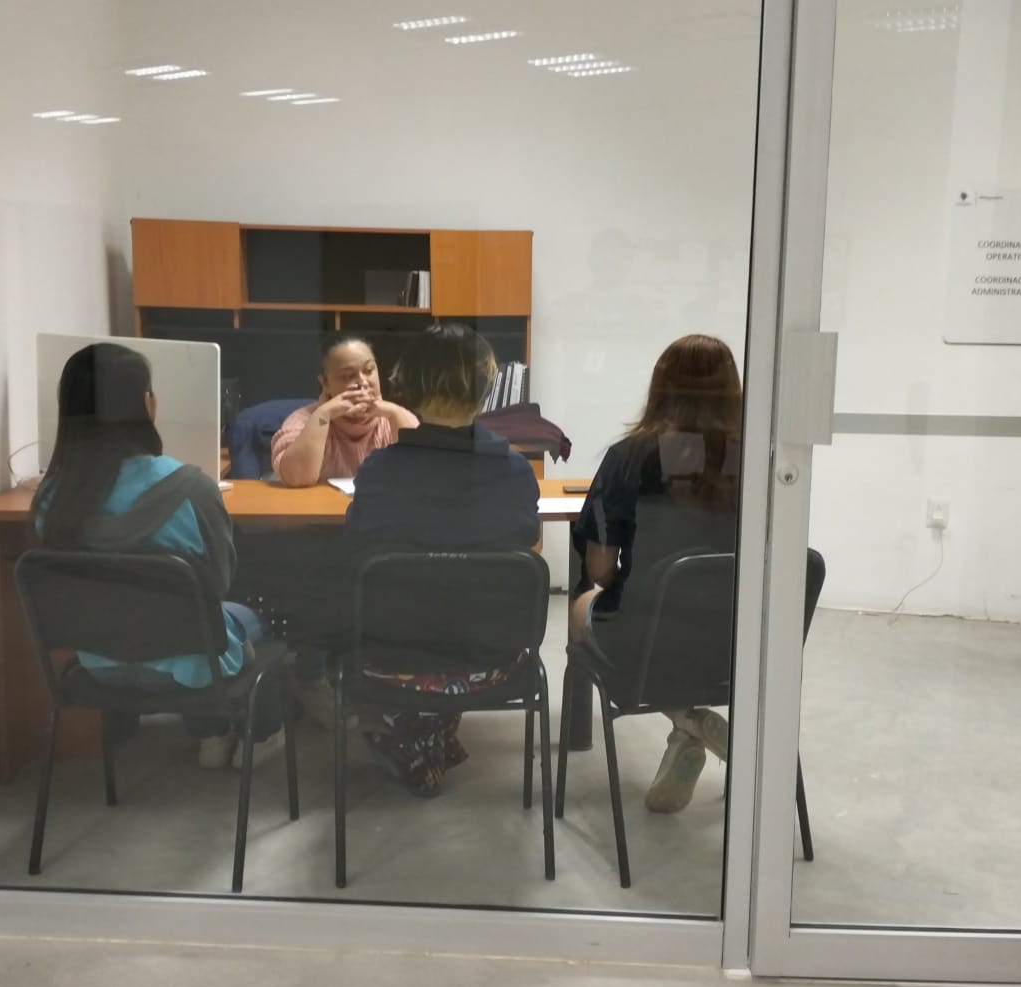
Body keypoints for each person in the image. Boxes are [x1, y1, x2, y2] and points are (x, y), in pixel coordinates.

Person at [34, 343, 267, 770]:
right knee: (248, 617)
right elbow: (218, 585)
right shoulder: (193, 488)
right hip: (193, 670)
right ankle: (230, 730)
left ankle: (211, 731)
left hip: (98, 665)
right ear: (147, 404)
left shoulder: (51, 500)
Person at [344, 323, 541, 796]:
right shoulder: (515, 472)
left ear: (408, 387)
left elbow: (356, 545)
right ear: (488, 389)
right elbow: (526, 544)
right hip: (493, 659)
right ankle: (430, 727)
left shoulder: (379, 470)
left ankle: (413, 728)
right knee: (459, 602)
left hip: (392, 659)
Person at [570, 334, 742, 813]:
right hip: (736, 644)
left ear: (660, 387)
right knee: (678, 628)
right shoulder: (759, 459)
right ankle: (686, 730)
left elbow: (599, 569)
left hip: (652, 641)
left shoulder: (629, 458)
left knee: (581, 606)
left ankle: (687, 719)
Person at [271, 334, 419, 487]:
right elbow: (298, 479)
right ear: (325, 383)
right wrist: (323, 415)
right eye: (348, 376)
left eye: (369, 370)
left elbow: (420, 474)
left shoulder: (397, 416)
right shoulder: (302, 421)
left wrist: (395, 414)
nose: (362, 382)